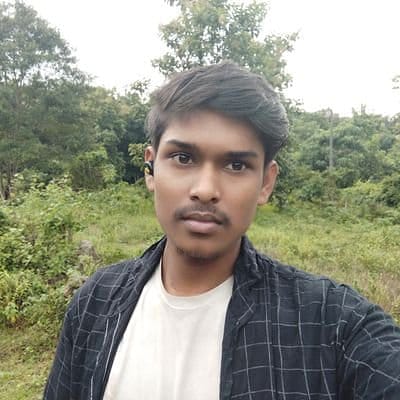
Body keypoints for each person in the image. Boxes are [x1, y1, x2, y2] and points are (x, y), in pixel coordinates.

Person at [44, 62, 400, 400]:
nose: (205, 190)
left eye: (236, 165)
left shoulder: (333, 325)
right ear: (151, 169)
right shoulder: (96, 302)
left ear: (266, 183)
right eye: (183, 158)